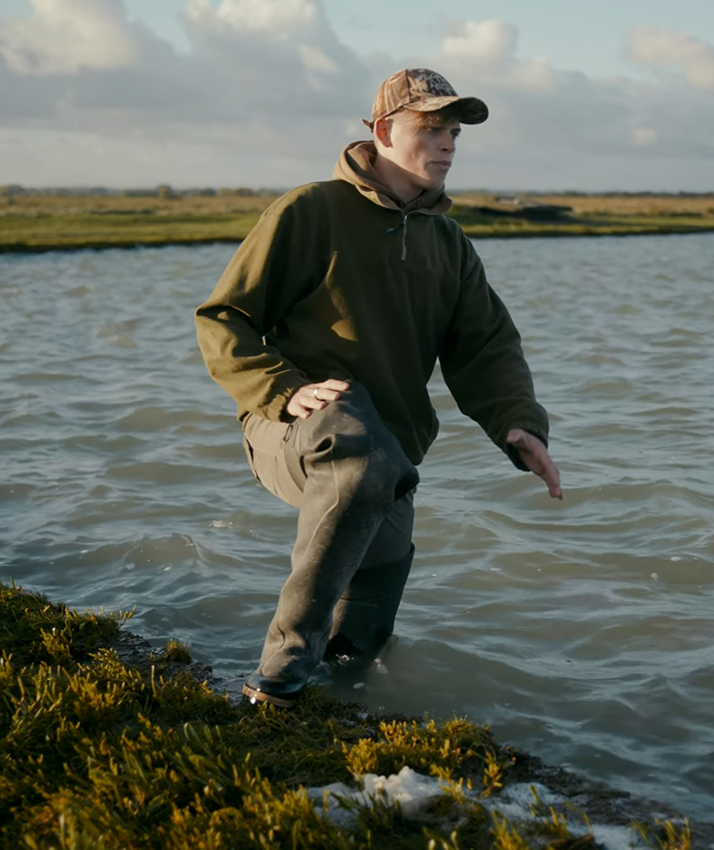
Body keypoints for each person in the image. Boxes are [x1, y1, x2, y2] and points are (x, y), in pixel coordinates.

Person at [195, 68, 561, 708]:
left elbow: (487, 347)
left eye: (453, 132)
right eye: (430, 128)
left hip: (390, 455)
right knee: (357, 449)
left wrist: (518, 423)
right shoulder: (310, 211)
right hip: (291, 427)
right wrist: (283, 388)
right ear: (383, 130)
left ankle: (335, 709)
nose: (446, 144)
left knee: (363, 635)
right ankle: (275, 684)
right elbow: (223, 319)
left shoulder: (449, 243)